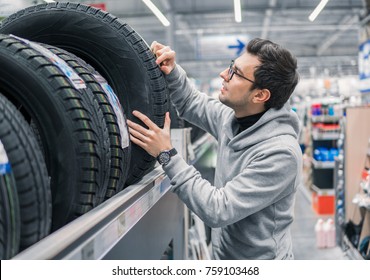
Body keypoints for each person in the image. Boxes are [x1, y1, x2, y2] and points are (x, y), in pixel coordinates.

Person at [127, 38, 302, 260]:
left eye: (236, 73)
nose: (223, 74)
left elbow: (218, 209)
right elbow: (191, 102)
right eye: (231, 66)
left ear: (260, 95)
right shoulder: (234, 117)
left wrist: (167, 155)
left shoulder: (281, 154)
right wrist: (172, 71)